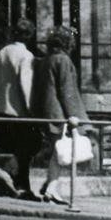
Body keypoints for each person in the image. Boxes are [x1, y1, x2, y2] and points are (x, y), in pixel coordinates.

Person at [31, 24, 90, 207]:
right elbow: (67, 91)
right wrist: (74, 115)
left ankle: (50, 184)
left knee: (57, 151)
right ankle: (51, 188)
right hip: (59, 113)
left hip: (47, 110)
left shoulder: (46, 59)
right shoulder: (63, 60)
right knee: (61, 152)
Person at [0, 17, 39, 200]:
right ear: (30, 36)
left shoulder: (2, 53)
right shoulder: (26, 56)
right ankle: (22, 187)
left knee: (5, 149)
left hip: (0, 109)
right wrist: (30, 109)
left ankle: (3, 184)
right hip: (19, 112)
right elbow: (26, 85)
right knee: (23, 153)